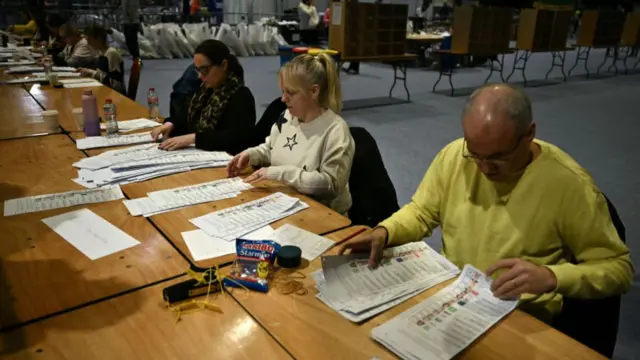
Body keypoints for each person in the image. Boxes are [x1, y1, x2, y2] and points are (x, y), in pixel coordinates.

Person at [337, 84, 633, 324]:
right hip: (452, 297)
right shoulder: (455, 155)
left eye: (498, 158)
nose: (484, 168)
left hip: (519, 317)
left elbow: (618, 269)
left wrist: (553, 276)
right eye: (475, 154)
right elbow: (423, 211)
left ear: (529, 134)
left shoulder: (568, 185)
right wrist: (385, 231)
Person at [227, 53, 355, 215]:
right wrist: (251, 155)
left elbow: (330, 184)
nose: (283, 99)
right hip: (284, 204)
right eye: (283, 91)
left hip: (321, 215)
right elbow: (271, 149)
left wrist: (278, 173)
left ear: (314, 91)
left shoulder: (335, 130)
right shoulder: (287, 116)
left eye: (291, 92)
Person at [150, 39, 256, 154]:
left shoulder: (241, 96)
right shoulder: (204, 91)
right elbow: (184, 116)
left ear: (224, 65)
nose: (200, 76)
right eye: (197, 70)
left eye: (205, 70)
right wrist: (170, 124)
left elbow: (236, 138)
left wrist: (193, 138)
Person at [77, 25, 126, 94]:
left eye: (89, 40)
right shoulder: (100, 53)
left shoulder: (111, 53)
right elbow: (101, 75)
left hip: (114, 94)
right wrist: (89, 72)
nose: (88, 44)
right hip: (104, 90)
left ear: (99, 39)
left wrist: (92, 72)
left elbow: (116, 84)